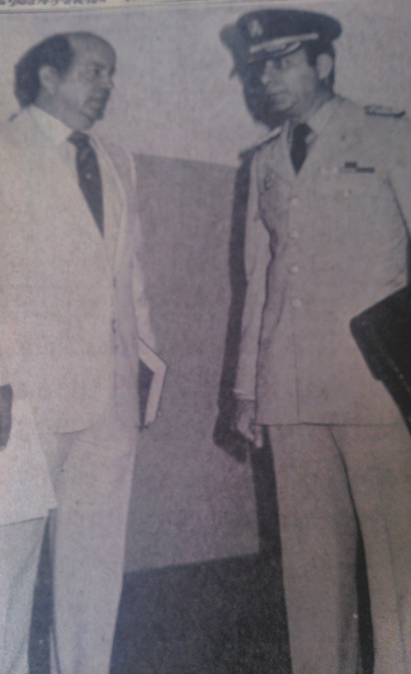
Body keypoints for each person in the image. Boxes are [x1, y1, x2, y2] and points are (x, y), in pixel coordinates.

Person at [0, 31, 156, 674]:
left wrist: (144, 373)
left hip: (109, 405)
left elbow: (129, 280)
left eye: (111, 73)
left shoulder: (117, 161)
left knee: (93, 574)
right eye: (93, 71)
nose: (106, 85)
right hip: (13, 406)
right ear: (48, 77)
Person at [220, 9, 411, 673]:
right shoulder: (264, 162)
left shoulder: (390, 135)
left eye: (282, 62)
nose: (265, 78)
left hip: (376, 384)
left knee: (399, 566)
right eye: (258, 67)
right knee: (309, 569)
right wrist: (248, 389)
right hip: (290, 387)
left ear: (323, 63)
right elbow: (261, 279)